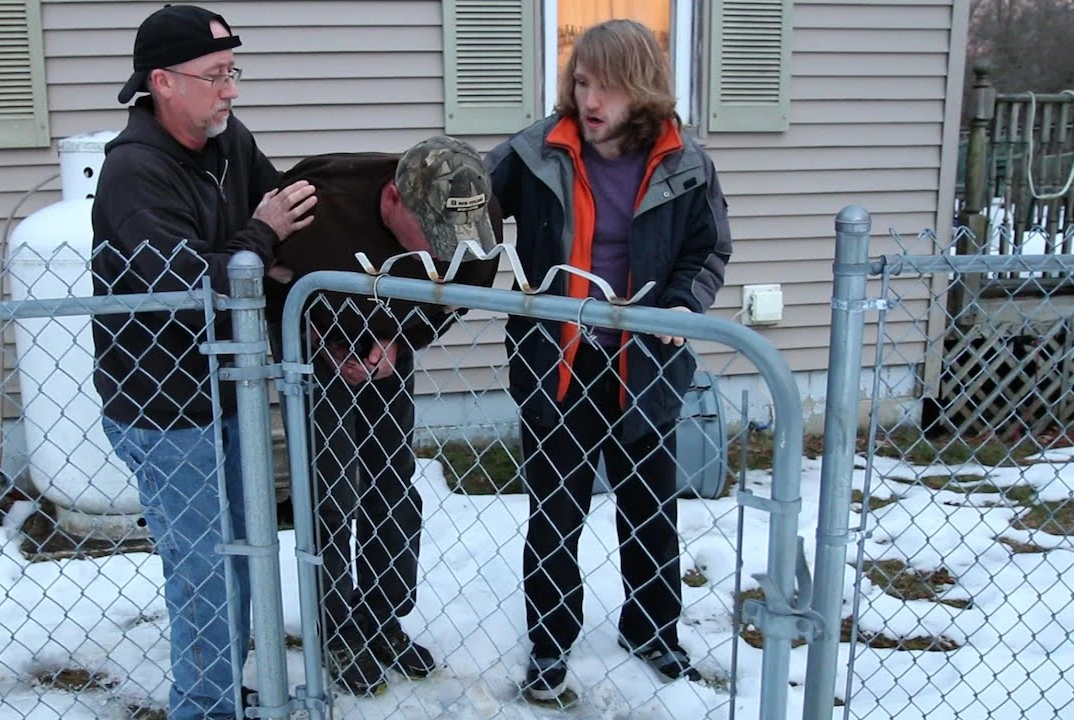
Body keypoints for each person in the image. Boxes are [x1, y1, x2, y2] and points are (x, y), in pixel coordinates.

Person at [484, 19, 733, 701]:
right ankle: (549, 643)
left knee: (650, 509)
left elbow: (709, 246)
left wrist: (682, 303)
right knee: (554, 514)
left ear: (642, 89)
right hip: (557, 364)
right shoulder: (537, 150)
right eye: (582, 82)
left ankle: (652, 630)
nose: (590, 100)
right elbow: (469, 201)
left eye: (609, 88)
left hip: (644, 364)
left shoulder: (685, 163)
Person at [89, 5, 317, 719]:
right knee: (204, 575)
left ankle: (224, 692)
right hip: (164, 410)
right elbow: (184, 283)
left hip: (230, 390)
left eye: (232, 72)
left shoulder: (228, 141)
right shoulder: (134, 171)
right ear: (162, 82)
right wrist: (257, 243)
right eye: (215, 75)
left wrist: (267, 250)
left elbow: (284, 221)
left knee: (244, 554)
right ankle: (206, 707)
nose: (231, 90)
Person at [264, 136, 504, 696]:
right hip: (315, 354)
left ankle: (381, 617)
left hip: (390, 346)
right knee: (329, 486)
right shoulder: (316, 205)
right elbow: (262, 283)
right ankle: (335, 626)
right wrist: (320, 343)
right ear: (394, 200)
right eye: (433, 239)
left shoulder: (472, 209)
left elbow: (463, 290)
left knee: (391, 481)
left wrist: (403, 339)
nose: (445, 253)